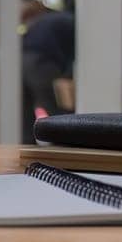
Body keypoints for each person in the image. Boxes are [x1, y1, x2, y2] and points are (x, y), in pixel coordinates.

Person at [21, 9, 73, 143]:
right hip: (42, 62)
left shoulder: (50, 18)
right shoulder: (73, 23)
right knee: (56, 111)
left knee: (25, 115)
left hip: (21, 59)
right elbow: (74, 57)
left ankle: (27, 151)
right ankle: (63, 147)